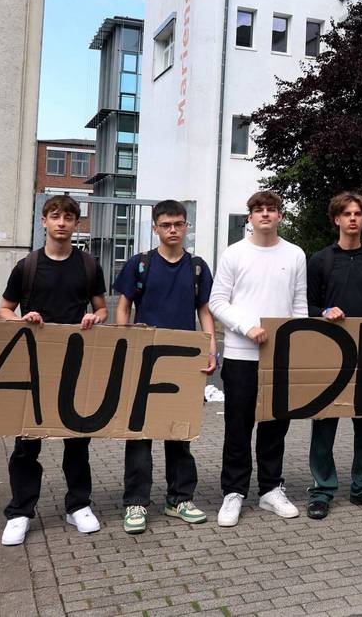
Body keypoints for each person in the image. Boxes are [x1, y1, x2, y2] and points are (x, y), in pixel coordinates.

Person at [0, 195, 107, 546]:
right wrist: (21, 320)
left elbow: (102, 309)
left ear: (77, 224)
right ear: (44, 221)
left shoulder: (89, 265)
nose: (61, 223)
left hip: (76, 365)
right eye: (55, 216)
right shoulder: (27, 266)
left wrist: (95, 317)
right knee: (27, 441)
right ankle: (20, 511)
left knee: (78, 439)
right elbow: (4, 310)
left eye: (68, 217)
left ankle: (78, 505)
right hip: (34, 367)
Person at [114, 199, 217, 533]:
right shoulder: (140, 264)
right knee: (140, 435)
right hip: (144, 361)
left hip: (183, 362)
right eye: (166, 225)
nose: (173, 230)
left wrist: (211, 348)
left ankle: (179, 499)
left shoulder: (198, 268)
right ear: (155, 228)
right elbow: (124, 306)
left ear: (186, 227)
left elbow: (204, 311)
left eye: (179, 224)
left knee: (179, 434)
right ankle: (135, 504)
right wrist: (124, 345)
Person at [208, 190, 308, 527]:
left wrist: (296, 348)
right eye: (258, 210)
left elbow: (300, 306)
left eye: (272, 210)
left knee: (275, 426)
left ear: (280, 216)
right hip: (240, 355)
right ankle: (233, 492)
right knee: (238, 426)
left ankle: (270, 489)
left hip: (280, 358)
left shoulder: (295, 254)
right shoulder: (234, 254)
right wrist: (247, 326)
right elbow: (217, 301)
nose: (265, 214)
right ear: (250, 217)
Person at [306, 192, 362, 518]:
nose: (352, 219)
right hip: (327, 354)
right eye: (346, 214)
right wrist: (324, 311)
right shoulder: (320, 260)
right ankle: (322, 490)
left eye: (358, 213)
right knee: (324, 423)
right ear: (336, 219)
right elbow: (306, 306)